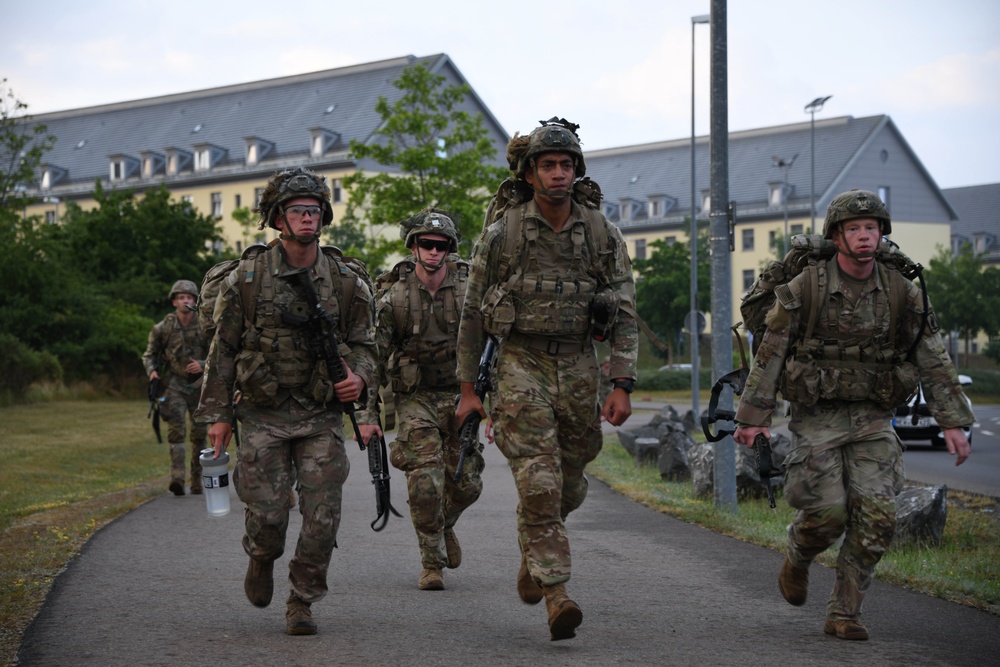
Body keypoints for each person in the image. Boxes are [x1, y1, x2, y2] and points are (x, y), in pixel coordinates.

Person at [733, 189, 973, 641]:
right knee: (827, 513)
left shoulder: (902, 289)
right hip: (817, 415)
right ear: (837, 235)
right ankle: (798, 555)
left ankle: (844, 613)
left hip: (873, 417)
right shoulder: (807, 285)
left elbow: (932, 357)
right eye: (854, 229)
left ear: (882, 234)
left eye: (872, 228)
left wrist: (953, 423)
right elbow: (772, 351)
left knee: (878, 517)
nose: (864, 236)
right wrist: (753, 417)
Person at [455, 117, 638, 641]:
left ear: (576, 172)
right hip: (519, 363)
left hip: (579, 365)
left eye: (566, 165)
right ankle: (557, 593)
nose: (558, 173)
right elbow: (472, 316)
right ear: (531, 174)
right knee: (539, 480)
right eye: (548, 165)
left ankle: (533, 553)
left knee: (571, 481)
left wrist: (621, 383)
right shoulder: (502, 235)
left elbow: (624, 311)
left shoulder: (602, 233)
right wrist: (469, 391)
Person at [195, 167, 377, 636]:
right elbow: (223, 351)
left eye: (313, 210)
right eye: (297, 211)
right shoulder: (248, 278)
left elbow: (366, 345)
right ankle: (261, 555)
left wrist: (358, 378)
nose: (306, 218)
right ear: (278, 219)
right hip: (261, 413)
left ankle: (302, 599)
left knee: (323, 516)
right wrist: (216, 417)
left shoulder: (344, 279)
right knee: (270, 514)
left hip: (319, 414)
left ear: (324, 216)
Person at [358, 209, 484, 592]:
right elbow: (372, 358)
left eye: (440, 245)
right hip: (416, 399)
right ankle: (432, 563)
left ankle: (444, 525)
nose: (433, 251)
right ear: (413, 247)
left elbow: (496, 344)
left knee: (467, 482)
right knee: (425, 481)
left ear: (449, 250)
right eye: (426, 244)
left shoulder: (469, 290)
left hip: (461, 393)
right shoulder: (393, 297)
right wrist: (367, 415)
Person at [142, 279, 211, 496]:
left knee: (199, 434)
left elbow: (219, 354)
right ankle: (178, 478)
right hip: (175, 385)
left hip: (199, 386)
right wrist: (152, 372)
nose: (185, 301)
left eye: (189, 297)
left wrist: (201, 365)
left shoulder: (205, 325)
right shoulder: (163, 328)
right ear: (174, 301)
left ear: (195, 301)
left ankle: (197, 479)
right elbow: (150, 354)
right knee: (176, 432)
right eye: (181, 297)